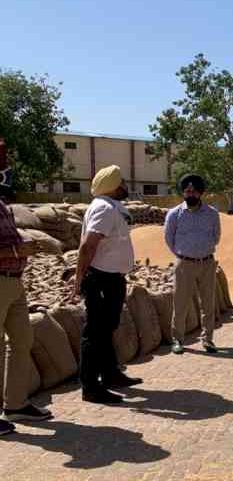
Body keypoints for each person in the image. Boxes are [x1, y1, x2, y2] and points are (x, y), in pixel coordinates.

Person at [75, 165, 142, 404]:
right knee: (95, 332)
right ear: (113, 186)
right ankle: (91, 387)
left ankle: (111, 374)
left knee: (107, 328)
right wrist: (78, 277)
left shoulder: (114, 207)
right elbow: (88, 246)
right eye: (122, 182)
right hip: (100, 278)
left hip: (112, 277)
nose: (125, 186)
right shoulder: (103, 208)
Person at [0, 186, 52, 435]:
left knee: (22, 341)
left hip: (14, 281)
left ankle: (15, 405)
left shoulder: (3, 207)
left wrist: (25, 244)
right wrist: (14, 251)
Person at [165, 174, 222, 355]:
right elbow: (169, 238)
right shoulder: (174, 214)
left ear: (200, 193)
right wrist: (183, 255)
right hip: (185, 264)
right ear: (183, 192)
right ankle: (178, 340)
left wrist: (202, 252)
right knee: (180, 303)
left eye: (194, 191)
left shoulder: (212, 213)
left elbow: (216, 236)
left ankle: (208, 340)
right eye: (187, 191)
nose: (190, 194)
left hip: (207, 263)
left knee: (208, 304)